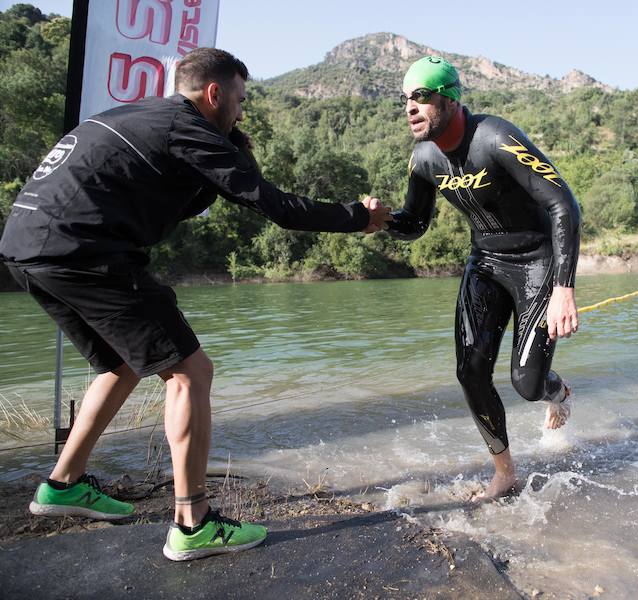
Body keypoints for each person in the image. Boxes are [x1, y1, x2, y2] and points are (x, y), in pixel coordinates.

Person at [0, 47, 391, 561]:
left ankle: (63, 486)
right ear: (214, 93)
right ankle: (192, 524)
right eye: (240, 99)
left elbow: (186, 197)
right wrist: (358, 218)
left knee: (121, 364)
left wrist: (233, 153)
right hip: (84, 250)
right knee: (190, 372)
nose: (242, 111)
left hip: (25, 246)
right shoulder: (185, 127)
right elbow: (275, 207)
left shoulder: (140, 116)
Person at [378, 56, 581, 500]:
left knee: (526, 385)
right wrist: (377, 220)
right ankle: (505, 473)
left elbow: (564, 205)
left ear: (450, 99)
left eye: (422, 96)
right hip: (485, 262)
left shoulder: (496, 139)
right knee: (470, 372)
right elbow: (414, 223)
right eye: (406, 99)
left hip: (538, 263)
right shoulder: (424, 159)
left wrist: (563, 289)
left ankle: (558, 391)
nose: (410, 107)